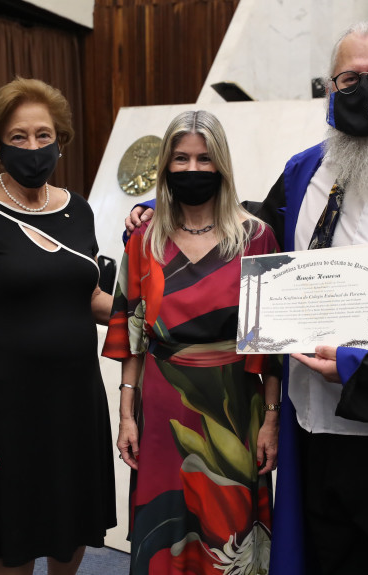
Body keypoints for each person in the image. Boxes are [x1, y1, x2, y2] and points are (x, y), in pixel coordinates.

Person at [127, 21, 368, 575]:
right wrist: (176, 214)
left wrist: (362, 363)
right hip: (310, 430)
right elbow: (248, 232)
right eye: (348, 79)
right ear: (329, 89)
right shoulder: (307, 171)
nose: (364, 90)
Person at [0, 77, 116, 575]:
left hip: (75, 402)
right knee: (14, 544)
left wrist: (169, 307)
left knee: (72, 532)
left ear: (60, 140)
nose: (34, 147)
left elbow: (91, 299)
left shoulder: (78, 210)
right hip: (6, 409)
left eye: (45, 135)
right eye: (19, 137)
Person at [104, 110, 281, 574]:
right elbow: (133, 333)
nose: (192, 169)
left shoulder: (256, 238)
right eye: (180, 158)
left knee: (229, 530)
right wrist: (126, 415)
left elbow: (271, 344)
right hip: (162, 406)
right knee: (167, 528)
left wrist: (272, 419)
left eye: (204, 158)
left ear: (221, 164)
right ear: (165, 166)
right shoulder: (143, 238)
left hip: (234, 408)